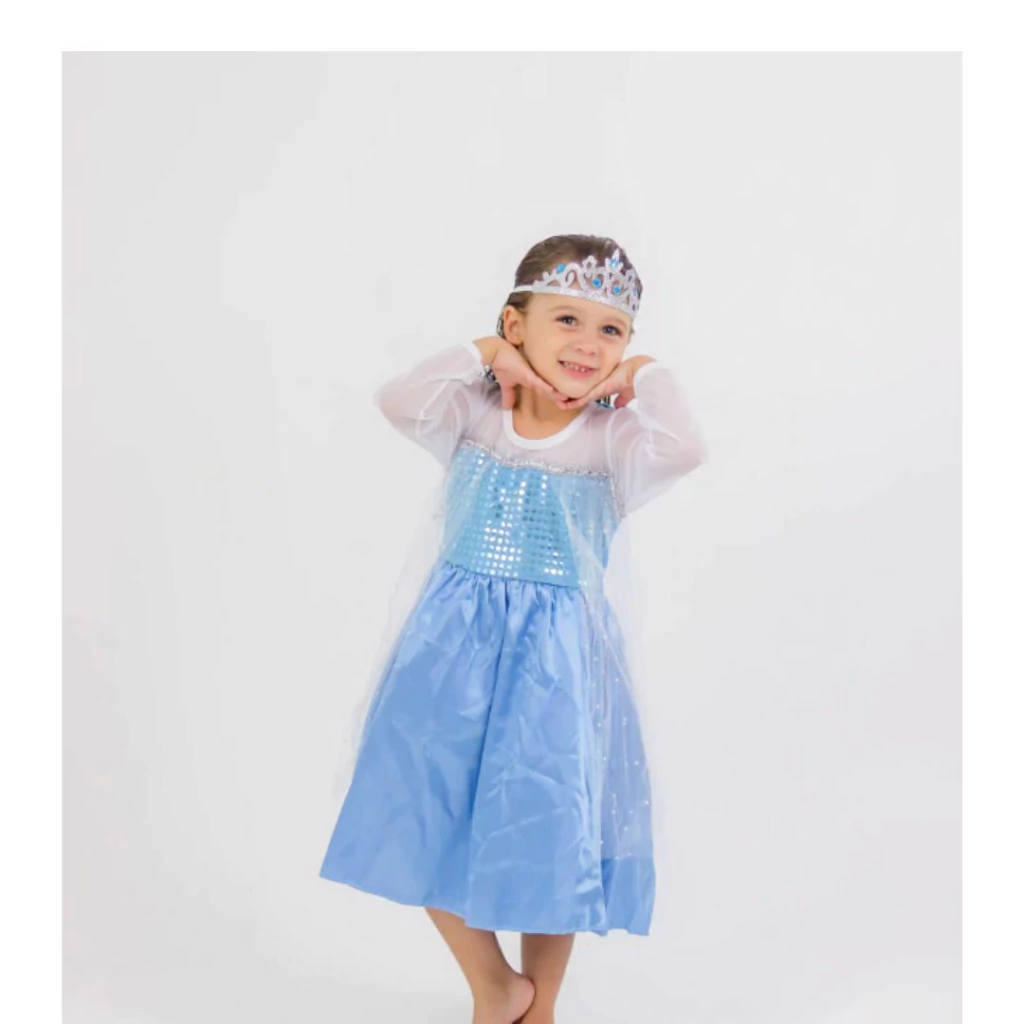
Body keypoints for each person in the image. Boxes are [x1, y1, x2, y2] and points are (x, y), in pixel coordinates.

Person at [319, 233, 708, 1023]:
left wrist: (644, 373)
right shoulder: (473, 413)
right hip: (449, 646)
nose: (588, 343)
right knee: (416, 801)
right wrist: (484, 353)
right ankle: (495, 985)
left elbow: (687, 447)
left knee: (548, 824)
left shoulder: (610, 440)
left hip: (557, 661)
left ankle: (542, 1005)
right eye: (567, 319)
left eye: (612, 331)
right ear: (515, 324)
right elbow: (398, 399)